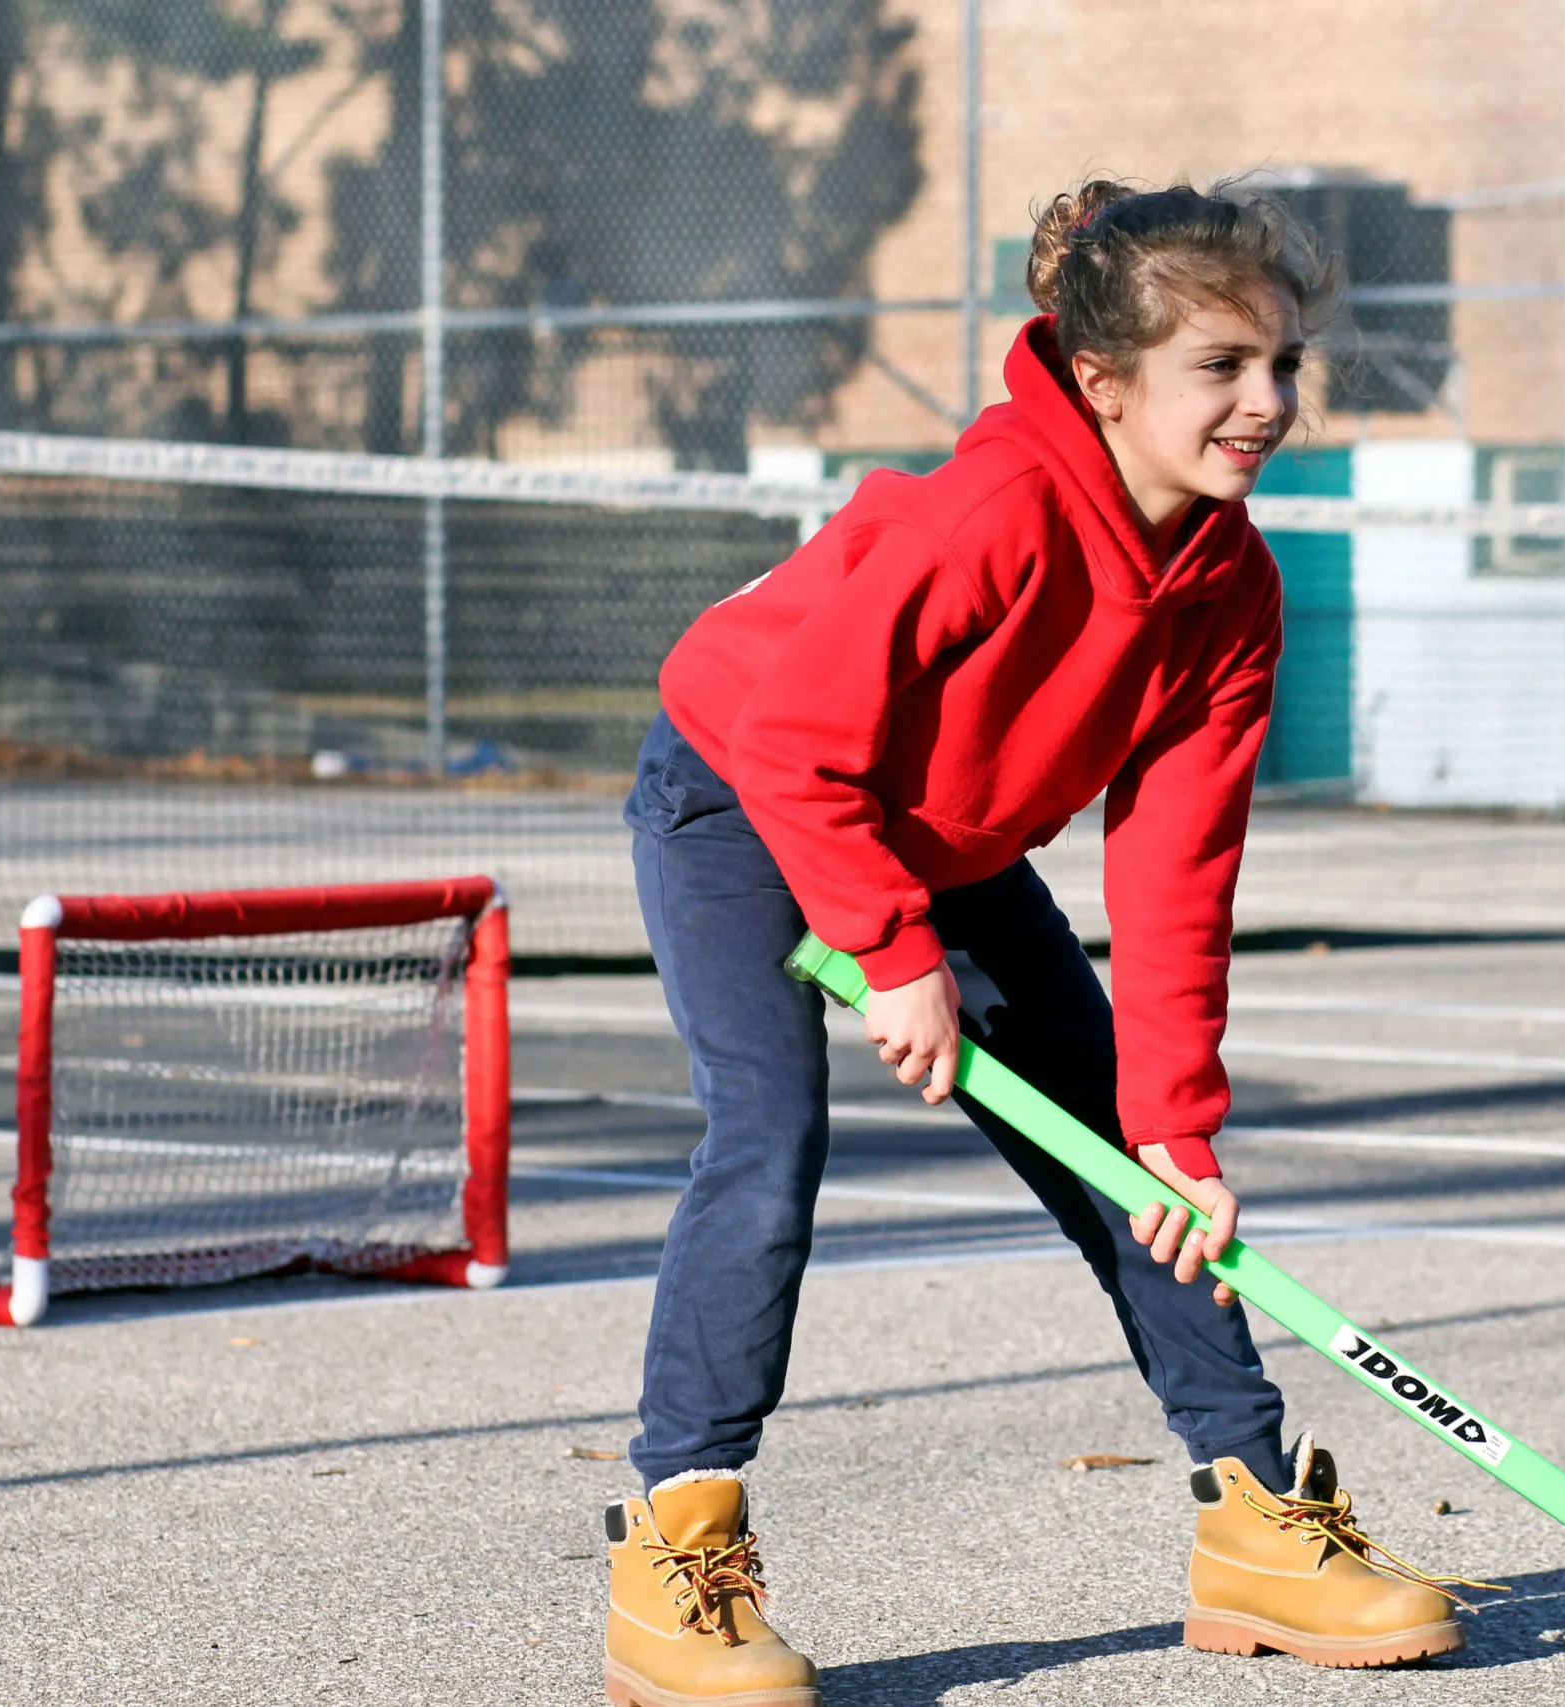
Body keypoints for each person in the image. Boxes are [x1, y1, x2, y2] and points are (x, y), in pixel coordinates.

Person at [604, 180, 1490, 1707]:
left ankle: (1256, 1519)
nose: (1267, 402)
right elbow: (804, 744)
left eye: (1283, 364)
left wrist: (1179, 1122)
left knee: (1139, 1175)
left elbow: (1176, 873)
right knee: (767, 1137)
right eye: (1223, 367)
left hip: (944, 839)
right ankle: (676, 1544)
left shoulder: (1230, 588)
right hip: (743, 789)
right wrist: (893, 954)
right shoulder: (989, 511)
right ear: (1108, 379)